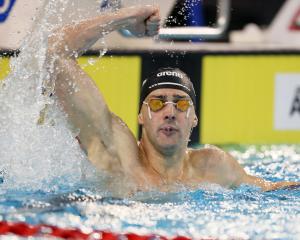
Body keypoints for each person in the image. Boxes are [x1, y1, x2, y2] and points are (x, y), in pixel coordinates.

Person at [47, 5, 298, 193]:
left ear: (194, 119)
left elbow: (273, 189)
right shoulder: (118, 154)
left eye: (181, 103)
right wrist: (122, 20)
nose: (169, 111)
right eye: (156, 103)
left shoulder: (212, 166)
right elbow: (54, 52)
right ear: (141, 116)